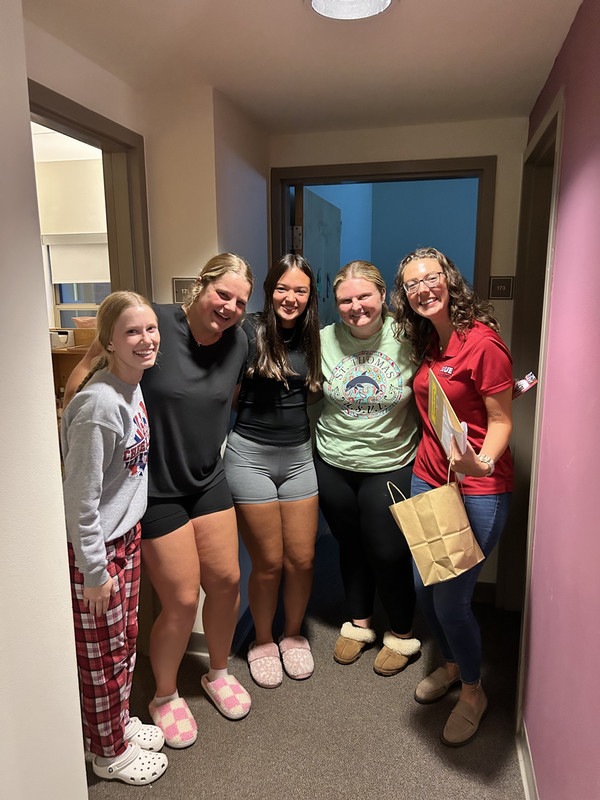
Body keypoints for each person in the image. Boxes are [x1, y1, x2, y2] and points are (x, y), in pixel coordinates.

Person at [64, 254, 254, 747]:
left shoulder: (239, 341)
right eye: (222, 294)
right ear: (201, 285)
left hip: (207, 479)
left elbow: (228, 400)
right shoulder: (153, 324)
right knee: (182, 599)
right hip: (155, 489)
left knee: (227, 582)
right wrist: (74, 434)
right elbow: (84, 373)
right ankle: (165, 695)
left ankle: (217, 672)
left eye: (240, 301)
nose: (229, 307)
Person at [392, 246, 513, 747]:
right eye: (412, 284)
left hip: (478, 486)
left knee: (452, 600)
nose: (423, 289)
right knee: (424, 588)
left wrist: (482, 461)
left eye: (431, 277)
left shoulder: (482, 343)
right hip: (429, 477)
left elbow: (501, 420)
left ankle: (472, 691)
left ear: (449, 279)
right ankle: (450, 663)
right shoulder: (428, 340)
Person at [61, 291, 168, 785]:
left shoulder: (131, 386)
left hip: (126, 537)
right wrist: (94, 571)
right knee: (101, 658)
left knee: (123, 644)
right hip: (98, 551)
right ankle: (108, 754)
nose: (146, 340)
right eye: (131, 332)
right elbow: (79, 501)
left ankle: (114, 727)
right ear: (108, 341)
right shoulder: (100, 406)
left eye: (150, 328)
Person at [314, 261, 422, 675]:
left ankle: (402, 632)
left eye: (364, 296)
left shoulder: (409, 336)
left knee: (387, 549)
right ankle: (359, 624)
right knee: (350, 544)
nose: (356, 306)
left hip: (390, 461)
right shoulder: (322, 340)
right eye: (346, 300)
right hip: (333, 460)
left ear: (382, 296)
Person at [224, 254, 321, 688]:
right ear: (269, 290)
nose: (291, 298)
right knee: (268, 562)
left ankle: (293, 634)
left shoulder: (314, 336)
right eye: (283, 288)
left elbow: (311, 392)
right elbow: (228, 391)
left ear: (310, 295)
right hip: (249, 458)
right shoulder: (248, 330)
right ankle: (262, 640)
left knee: (302, 559)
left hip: (298, 457)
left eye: (300, 290)